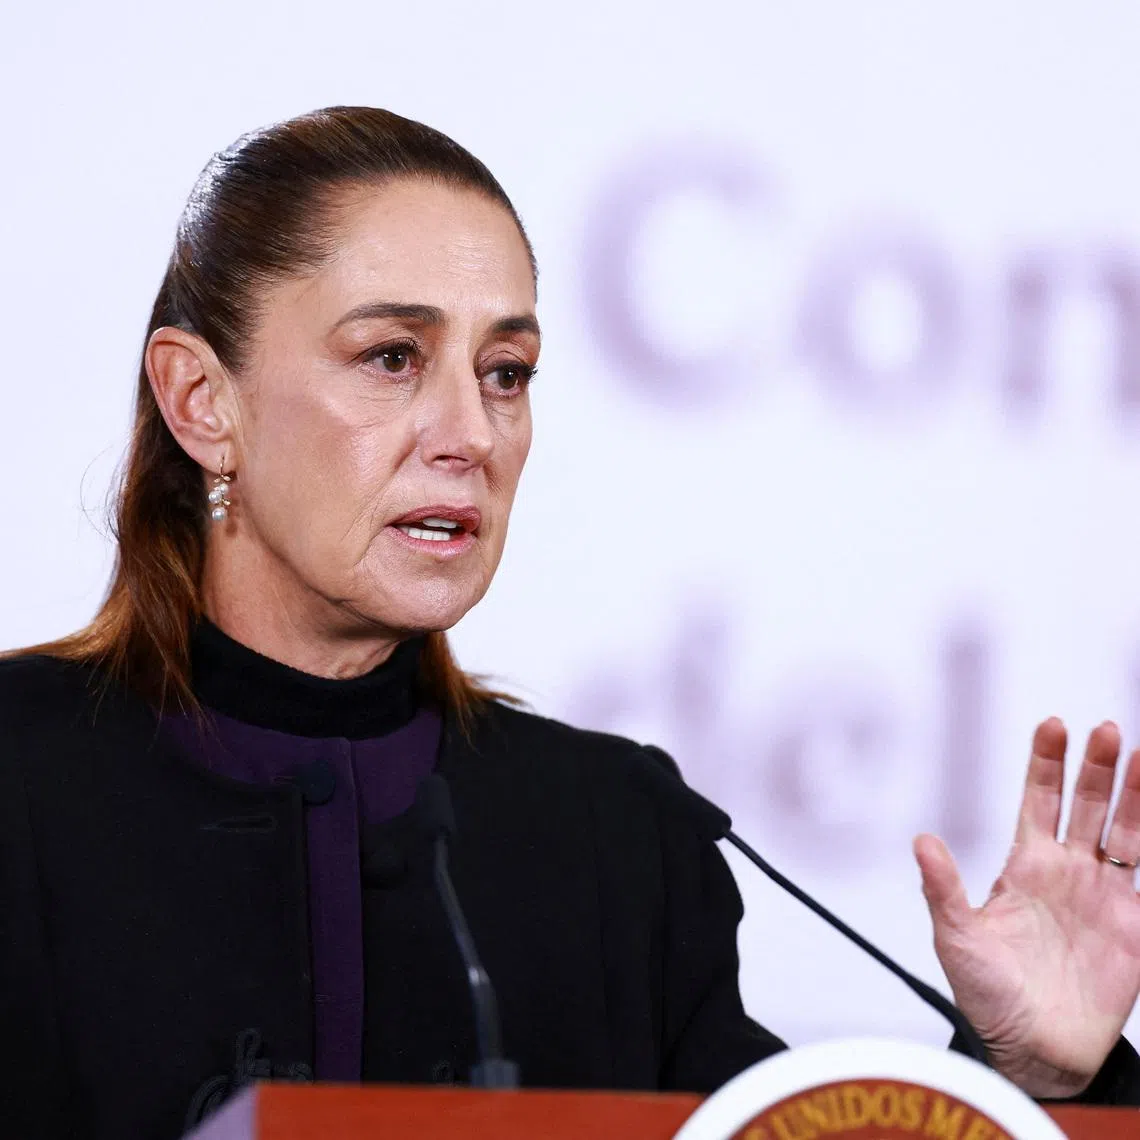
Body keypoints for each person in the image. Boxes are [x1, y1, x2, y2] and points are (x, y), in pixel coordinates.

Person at [3, 106, 1140, 1140]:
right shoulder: (21, 776)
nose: (471, 434)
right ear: (203, 401)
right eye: (392, 358)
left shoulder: (619, 837)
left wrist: (1032, 1072)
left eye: (506, 371)